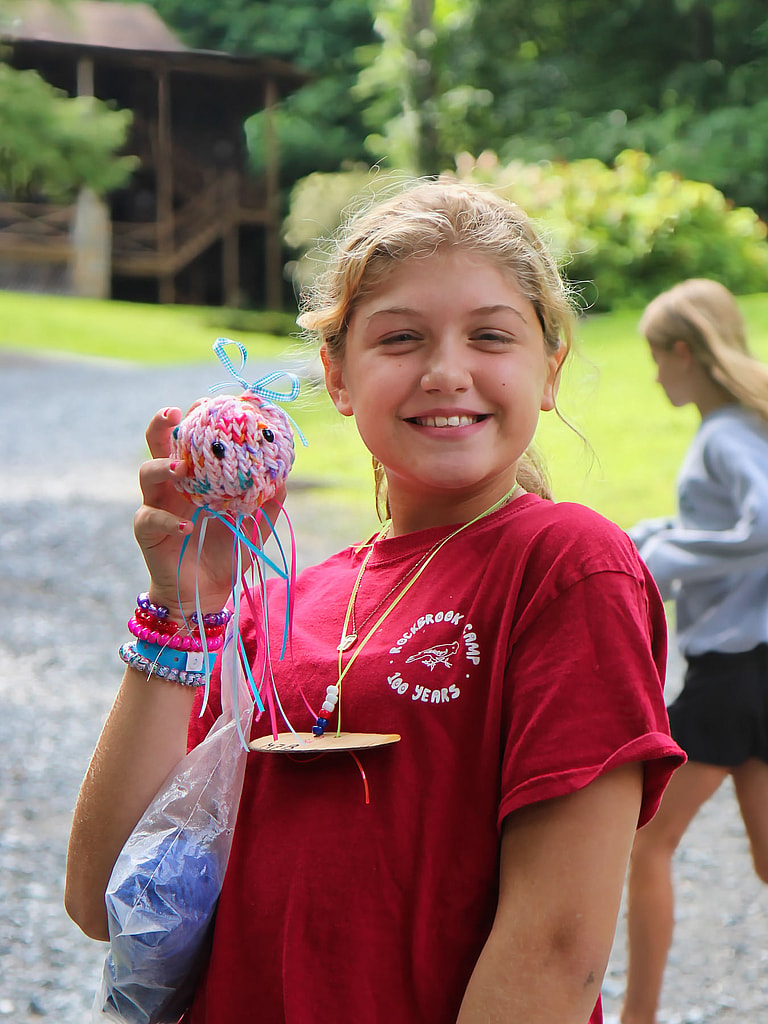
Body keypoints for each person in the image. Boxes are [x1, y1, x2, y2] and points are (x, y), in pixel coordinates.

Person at [66, 179, 683, 1024]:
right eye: (400, 338)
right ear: (338, 376)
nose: (445, 372)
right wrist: (185, 606)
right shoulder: (277, 608)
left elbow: (554, 954)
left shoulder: (566, 567)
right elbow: (106, 900)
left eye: (491, 336)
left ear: (549, 371)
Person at [621, 278, 768, 1024]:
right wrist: (657, 535)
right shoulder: (750, 425)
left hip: (728, 676)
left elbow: (762, 522)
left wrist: (658, 565)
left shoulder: (722, 434)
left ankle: (637, 1018)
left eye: (656, 358)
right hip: (759, 670)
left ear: (684, 352)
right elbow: (725, 526)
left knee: (645, 844)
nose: (653, 376)